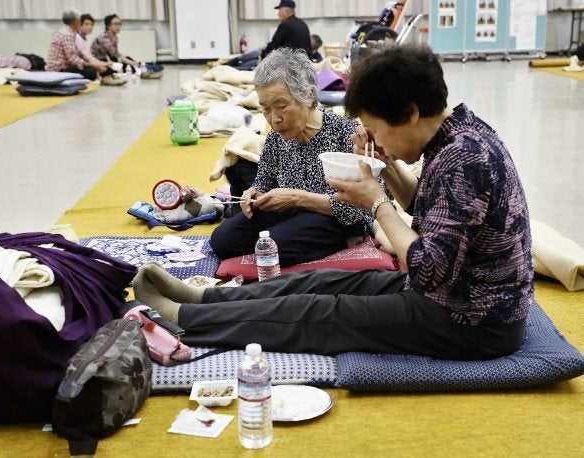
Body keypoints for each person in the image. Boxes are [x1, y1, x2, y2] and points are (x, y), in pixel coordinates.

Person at [133, 44, 534, 361]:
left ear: (410, 114)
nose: (374, 138)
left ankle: (186, 320)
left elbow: (430, 272)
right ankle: (204, 298)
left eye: (378, 130)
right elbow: (425, 204)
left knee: (321, 314)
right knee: (319, 282)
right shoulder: (457, 134)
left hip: (473, 320)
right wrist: (386, 165)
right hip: (449, 294)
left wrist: (377, 201)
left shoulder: (465, 160)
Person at [209, 48, 373, 266]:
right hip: (290, 212)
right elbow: (264, 181)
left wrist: (297, 198)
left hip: (334, 216)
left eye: (282, 106)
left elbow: (362, 204)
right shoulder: (277, 138)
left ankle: (345, 240)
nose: (274, 119)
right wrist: (253, 193)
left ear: (309, 95)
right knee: (223, 240)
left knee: (276, 245)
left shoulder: (347, 134)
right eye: (266, 109)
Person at [45, 8, 111, 82]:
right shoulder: (67, 34)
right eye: (80, 20)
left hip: (64, 67)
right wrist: (95, 65)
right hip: (59, 70)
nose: (80, 22)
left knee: (94, 69)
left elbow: (79, 54)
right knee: (91, 72)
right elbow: (73, 59)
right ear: (75, 22)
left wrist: (96, 65)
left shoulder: (70, 32)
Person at [75, 14, 123, 86]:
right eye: (87, 24)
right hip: (73, 67)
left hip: (93, 60)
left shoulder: (82, 39)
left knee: (109, 66)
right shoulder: (77, 38)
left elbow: (89, 58)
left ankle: (107, 76)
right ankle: (106, 78)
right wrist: (99, 65)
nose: (90, 27)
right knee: (96, 70)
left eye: (91, 25)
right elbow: (81, 60)